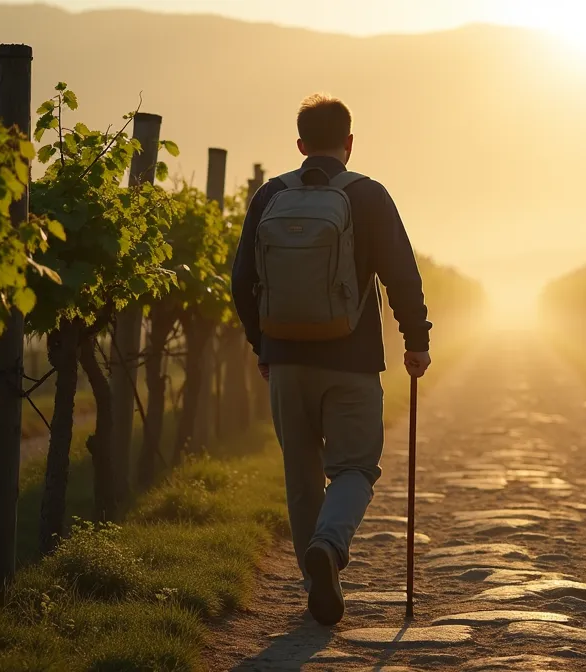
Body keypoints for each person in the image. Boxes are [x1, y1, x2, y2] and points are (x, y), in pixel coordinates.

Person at [231, 93, 432, 626]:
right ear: (350, 142)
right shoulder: (368, 195)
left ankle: (315, 584)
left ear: (300, 145)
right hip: (352, 361)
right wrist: (416, 339)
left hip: (286, 362)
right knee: (354, 467)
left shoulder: (270, 195)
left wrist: (263, 346)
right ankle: (330, 546)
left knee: (301, 478)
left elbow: (241, 282)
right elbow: (401, 274)